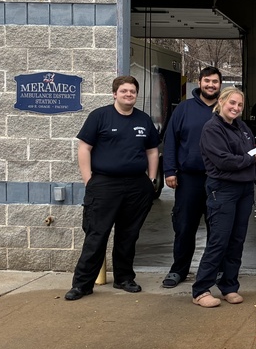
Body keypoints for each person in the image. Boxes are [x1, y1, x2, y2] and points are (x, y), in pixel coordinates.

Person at [65, 76, 160, 301]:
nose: (129, 95)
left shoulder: (143, 120)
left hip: (137, 186)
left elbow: (152, 151)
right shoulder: (99, 116)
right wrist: (89, 180)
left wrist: (151, 179)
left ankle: (124, 278)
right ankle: (82, 284)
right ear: (114, 94)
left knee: (128, 235)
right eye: (124, 91)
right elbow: (84, 148)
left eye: (132, 91)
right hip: (104, 184)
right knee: (96, 235)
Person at [191, 88, 256, 308]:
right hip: (223, 189)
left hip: (244, 190)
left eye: (240, 105)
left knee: (237, 240)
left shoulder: (242, 127)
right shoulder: (212, 128)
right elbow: (224, 161)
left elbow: (249, 152)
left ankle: (229, 285)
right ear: (221, 102)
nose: (236, 108)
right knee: (219, 240)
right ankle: (201, 289)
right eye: (232, 103)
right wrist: (254, 157)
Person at [161, 66, 222, 289]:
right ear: (199, 82)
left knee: (217, 228)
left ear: (220, 84)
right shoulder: (184, 109)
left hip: (218, 180)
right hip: (189, 179)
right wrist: (169, 171)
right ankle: (178, 270)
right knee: (185, 226)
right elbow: (170, 141)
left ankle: (215, 270)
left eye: (215, 82)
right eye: (207, 81)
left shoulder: (224, 108)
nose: (210, 85)